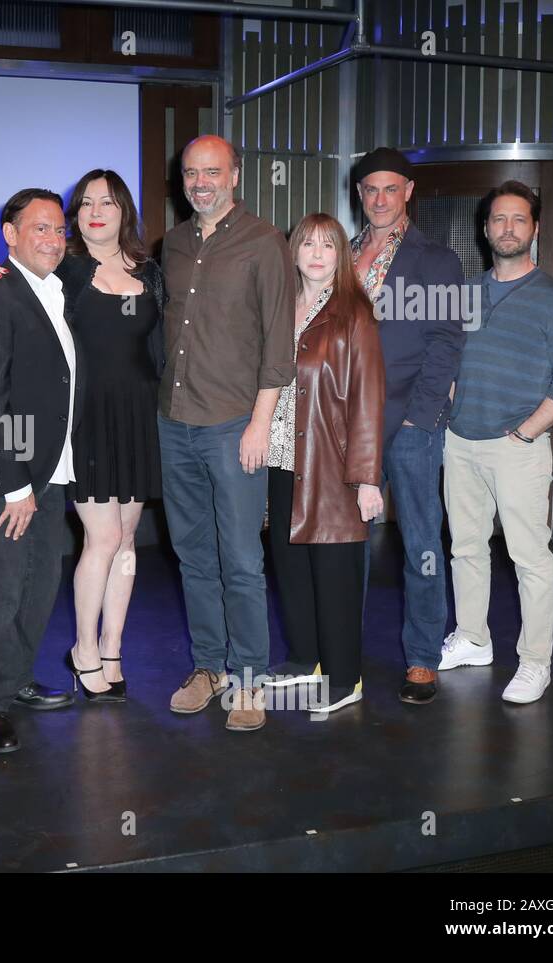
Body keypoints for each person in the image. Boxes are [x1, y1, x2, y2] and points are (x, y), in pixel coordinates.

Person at [0, 170, 162, 702]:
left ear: (124, 209)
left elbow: (165, 344)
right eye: (86, 203)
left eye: (107, 201)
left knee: (125, 540)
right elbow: (5, 330)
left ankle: (113, 648)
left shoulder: (151, 271)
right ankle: (82, 652)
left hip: (137, 417)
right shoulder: (64, 270)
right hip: (84, 421)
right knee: (96, 541)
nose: (96, 211)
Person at [161, 135, 295, 732]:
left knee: (241, 560)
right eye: (192, 173)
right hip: (175, 422)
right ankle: (207, 667)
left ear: (235, 175)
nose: (201, 182)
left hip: (234, 423)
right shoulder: (174, 243)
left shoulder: (265, 242)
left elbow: (278, 347)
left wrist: (259, 425)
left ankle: (249, 680)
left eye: (212, 171)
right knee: (193, 556)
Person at [440, 181, 553, 703]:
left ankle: (535, 662)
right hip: (459, 442)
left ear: (535, 229)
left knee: (530, 558)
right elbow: (452, 359)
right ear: (485, 230)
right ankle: (474, 639)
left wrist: (527, 431)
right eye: (498, 220)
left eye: (518, 220)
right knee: (465, 549)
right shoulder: (468, 293)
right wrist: (453, 402)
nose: (507, 228)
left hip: (517, 448)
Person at [0, 188, 83, 753]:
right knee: (2, 588)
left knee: (40, 583)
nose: (53, 240)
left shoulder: (55, 290)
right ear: (10, 235)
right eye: (40, 229)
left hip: (50, 466)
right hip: (6, 475)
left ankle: (17, 677)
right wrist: (14, 486)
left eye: (59, 230)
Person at [349, 147, 466, 704]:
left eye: (389, 189)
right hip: (349, 423)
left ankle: (422, 657)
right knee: (349, 541)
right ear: (360, 194)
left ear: (408, 192)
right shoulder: (343, 255)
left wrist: (422, 419)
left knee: (420, 540)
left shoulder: (436, 260)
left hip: (410, 424)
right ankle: (341, 649)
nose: (379, 199)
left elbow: (447, 344)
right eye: (370, 189)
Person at [263, 213, 385, 714]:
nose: (316, 253)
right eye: (307, 244)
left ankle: (344, 677)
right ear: (292, 252)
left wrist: (366, 478)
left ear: (342, 256)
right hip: (278, 455)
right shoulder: (279, 307)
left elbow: (369, 398)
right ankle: (305, 658)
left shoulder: (355, 311)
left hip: (331, 461)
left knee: (333, 569)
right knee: (289, 564)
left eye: (328, 246)